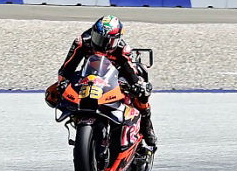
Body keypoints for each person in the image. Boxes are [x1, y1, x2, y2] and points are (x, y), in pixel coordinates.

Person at [45, 14, 155, 153]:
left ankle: (147, 126)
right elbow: (68, 66)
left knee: (141, 92)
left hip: (115, 75)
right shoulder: (82, 41)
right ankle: (79, 120)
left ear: (117, 39)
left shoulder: (122, 49)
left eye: (107, 41)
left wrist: (136, 84)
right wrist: (63, 82)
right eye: (99, 38)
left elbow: (129, 71)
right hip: (90, 73)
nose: (102, 44)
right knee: (51, 94)